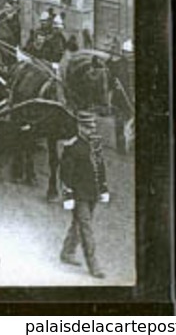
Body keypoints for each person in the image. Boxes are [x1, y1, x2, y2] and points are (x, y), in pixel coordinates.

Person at [59, 111, 110, 279]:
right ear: (79, 127)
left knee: (78, 224)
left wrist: (103, 189)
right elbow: (65, 174)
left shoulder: (95, 144)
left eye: (93, 127)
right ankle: (94, 265)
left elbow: (100, 167)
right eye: (87, 127)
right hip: (79, 194)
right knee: (86, 228)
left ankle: (67, 252)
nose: (91, 130)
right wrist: (68, 196)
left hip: (92, 193)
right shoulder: (71, 146)